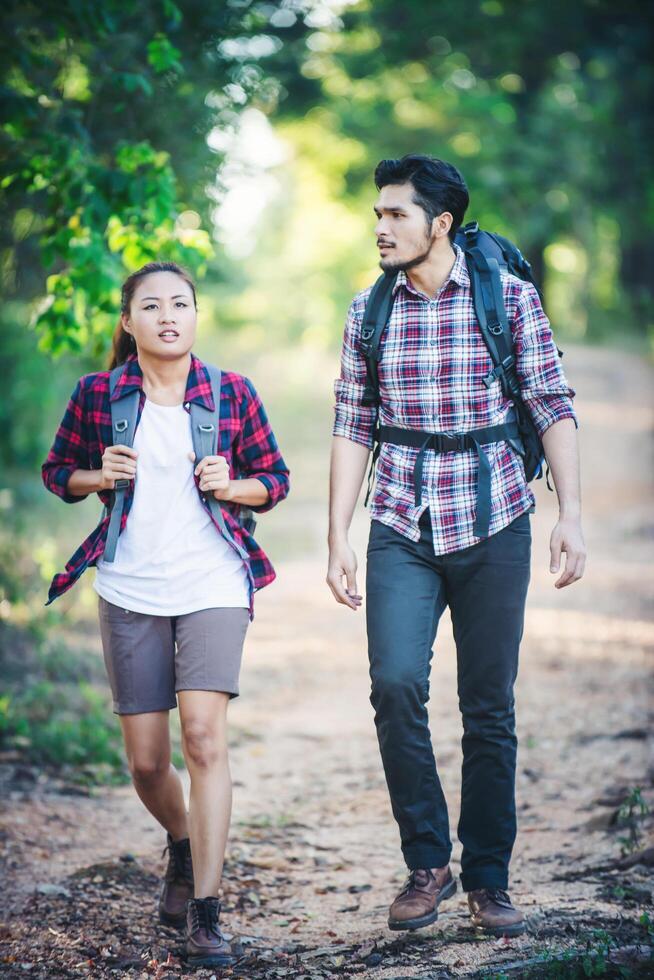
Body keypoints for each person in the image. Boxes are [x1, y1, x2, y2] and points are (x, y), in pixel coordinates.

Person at [327, 155, 585, 937]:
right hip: (402, 519)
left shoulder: (507, 298)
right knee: (396, 684)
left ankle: (489, 879)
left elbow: (550, 401)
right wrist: (336, 532)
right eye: (377, 215)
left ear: (440, 223)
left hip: (497, 513)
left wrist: (571, 512)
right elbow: (352, 423)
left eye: (396, 215)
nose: (381, 227)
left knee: (488, 706)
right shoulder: (368, 311)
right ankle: (426, 861)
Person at [42, 261, 290, 967]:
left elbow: (275, 480)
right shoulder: (99, 395)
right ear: (129, 323)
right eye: (151, 306)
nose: (168, 315)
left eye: (180, 303)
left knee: (204, 740)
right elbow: (57, 473)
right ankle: (182, 846)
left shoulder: (231, 392)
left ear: (195, 315)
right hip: (129, 586)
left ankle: (208, 909)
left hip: (213, 579)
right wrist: (100, 474)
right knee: (149, 763)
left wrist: (234, 484)